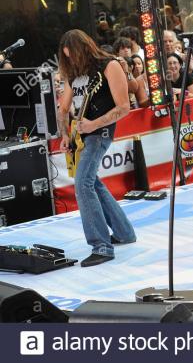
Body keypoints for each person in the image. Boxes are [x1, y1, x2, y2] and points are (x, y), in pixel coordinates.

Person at [57, 29, 137, 267]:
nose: (71, 61)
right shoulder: (75, 73)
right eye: (66, 58)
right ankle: (124, 232)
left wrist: (93, 123)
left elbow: (124, 107)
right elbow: (63, 109)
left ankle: (102, 246)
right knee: (91, 182)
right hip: (82, 134)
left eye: (72, 56)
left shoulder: (109, 65)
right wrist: (65, 136)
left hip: (100, 131)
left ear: (82, 49)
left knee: (83, 183)